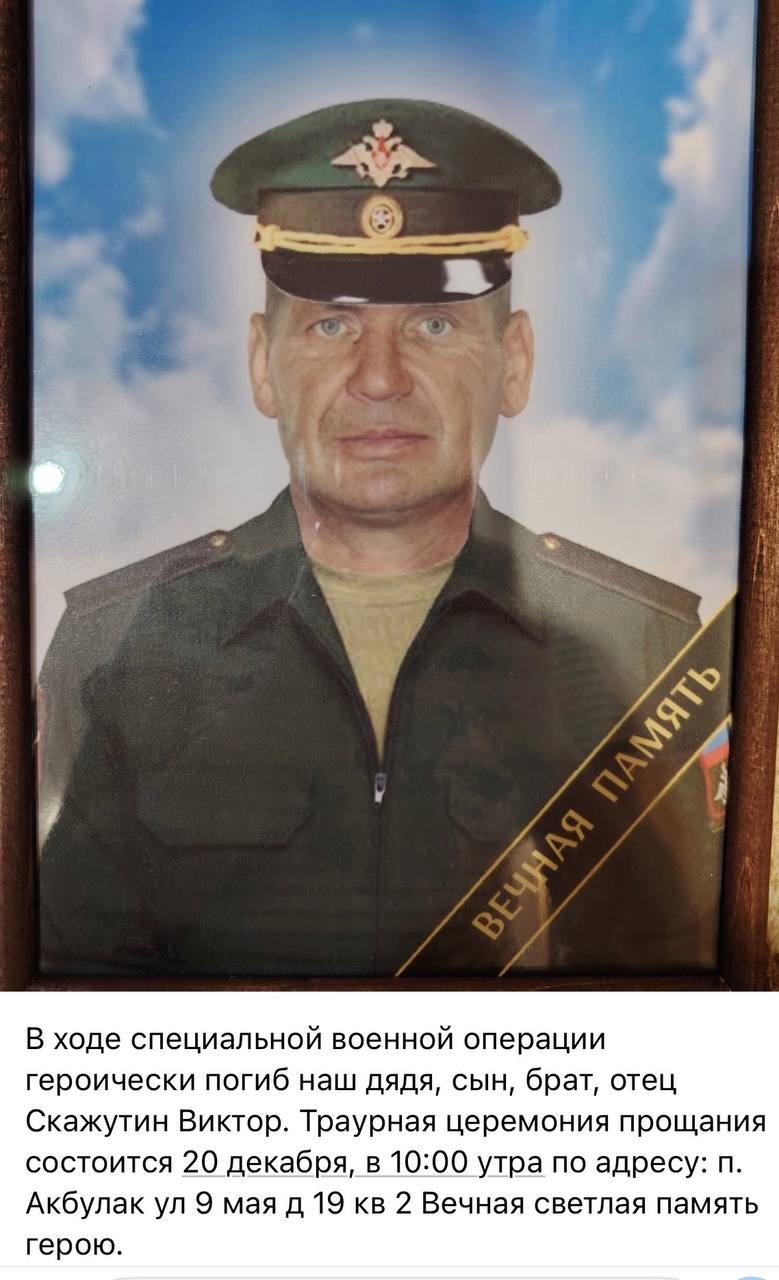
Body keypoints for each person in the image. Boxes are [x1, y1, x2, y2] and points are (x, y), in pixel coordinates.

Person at [37, 99, 718, 977]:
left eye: (434, 325)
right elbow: (60, 1010)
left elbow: (683, 1003)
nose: (380, 377)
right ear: (262, 365)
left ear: (513, 364)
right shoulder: (115, 645)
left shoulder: (646, 649)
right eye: (331, 325)